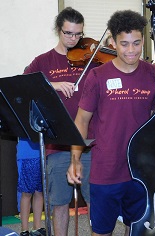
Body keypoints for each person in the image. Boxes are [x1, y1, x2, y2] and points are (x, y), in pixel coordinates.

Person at [67, 9, 155, 236]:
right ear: (112, 42)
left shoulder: (154, 73)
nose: (131, 50)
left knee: (136, 229)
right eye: (124, 44)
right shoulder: (97, 76)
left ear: (144, 40)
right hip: (106, 169)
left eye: (136, 43)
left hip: (142, 170)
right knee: (102, 231)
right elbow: (82, 120)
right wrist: (75, 159)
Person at [23, 7, 97, 235]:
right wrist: (52, 85)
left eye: (78, 34)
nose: (74, 40)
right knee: (59, 204)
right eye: (68, 34)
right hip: (58, 145)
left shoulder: (92, 59)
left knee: (97, 202)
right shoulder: (43, 61)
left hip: (90, 143)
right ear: (58, 30)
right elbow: (24, 86)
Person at [17, 139, 45, 236]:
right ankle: (24, 229)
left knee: (39, 192)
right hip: (27, 154)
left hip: (42, 153)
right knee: (26, 193)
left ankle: (37, 227)